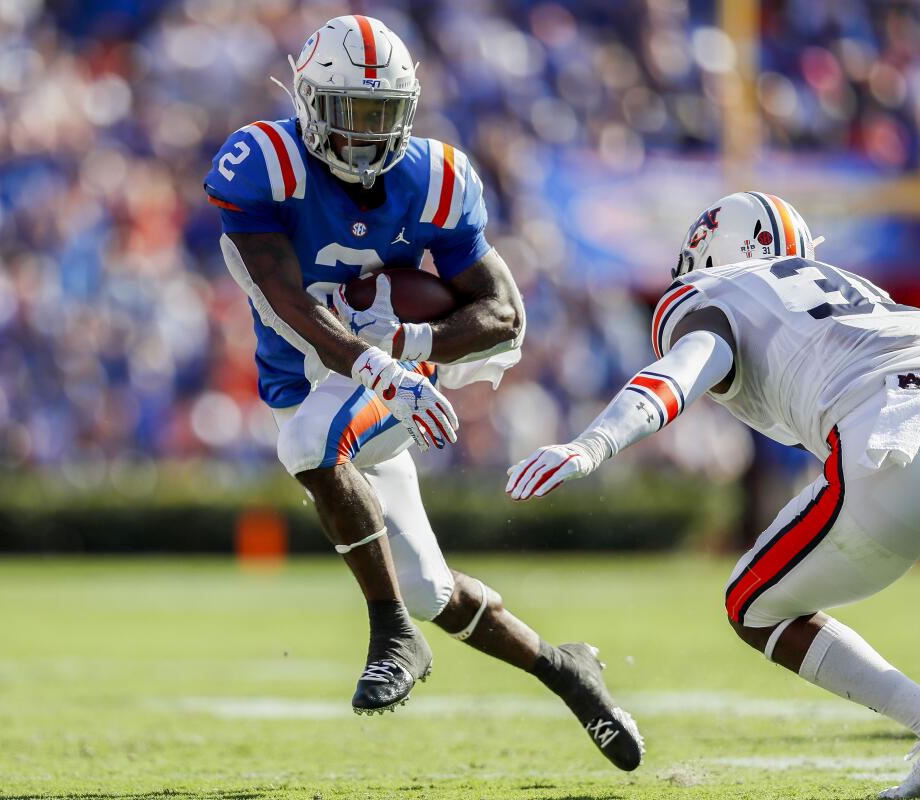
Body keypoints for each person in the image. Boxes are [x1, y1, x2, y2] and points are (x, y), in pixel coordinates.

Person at [204, 15, 643, 771]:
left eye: (383, 113)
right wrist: (375, 364)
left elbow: (503, 315)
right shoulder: (263, 163)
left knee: (308, 444)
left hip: (392, 384)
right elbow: (286, 301)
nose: (369, 133)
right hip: (317, 378)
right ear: (309, 103)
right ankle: (567, 670)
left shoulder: (435, 176)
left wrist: (404, 347)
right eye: (352, 112)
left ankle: (389, 633)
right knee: (433, 589)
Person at [507, 191, 920, 798]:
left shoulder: (721, 290)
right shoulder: (852, 285)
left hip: (889, 437)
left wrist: (591, 445)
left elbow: (683, 369)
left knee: (754, 604)